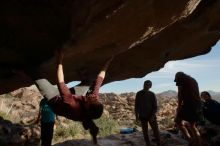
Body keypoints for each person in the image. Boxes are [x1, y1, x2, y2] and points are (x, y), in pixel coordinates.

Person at [31, 50, 113, 144]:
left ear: (87, 106)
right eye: (96, 99)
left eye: (93, 100)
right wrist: (108, 62)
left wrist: (59, 60)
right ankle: (83, 75)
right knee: (89, 82)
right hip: (72, 96)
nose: (94, 97)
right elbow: (99, 80)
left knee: (35, 74)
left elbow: (60, 82)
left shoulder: (72, 105)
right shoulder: (92, 99)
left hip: (55, 100)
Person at [174, 72, 203, 146]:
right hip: (197, 104)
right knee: (192, 125)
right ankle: (198, 143)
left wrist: (179, 107)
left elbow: (180, 95)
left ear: (178, 77)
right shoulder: (193, 80)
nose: (176, 82)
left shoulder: (181, 80)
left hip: (189, 104)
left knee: (178, 121)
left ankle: (190, 140)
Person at [135, 80, 161, 146]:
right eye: (145, 84)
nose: (146, 85)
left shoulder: (152, 94)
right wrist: (136, 117)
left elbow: (155, 107)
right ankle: (148, 144)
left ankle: (159, 144)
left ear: (150, 86)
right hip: (142, 115)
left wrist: (152, 116)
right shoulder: (139, 94)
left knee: (155, 131)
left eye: (148, 84)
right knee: (145, 132)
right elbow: (136, 106)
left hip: (151, 115)